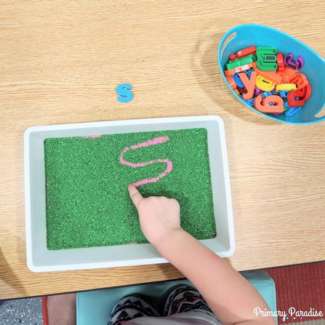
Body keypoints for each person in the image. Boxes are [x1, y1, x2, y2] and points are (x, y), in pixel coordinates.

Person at [109, 185, 275, 325]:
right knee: (185, 298)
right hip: (197, 316)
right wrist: (168, 235)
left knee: (128, 309)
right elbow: (256, 319)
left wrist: (167, 235)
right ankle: (183, 302)